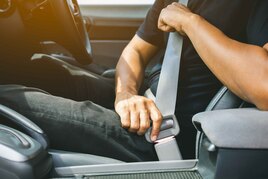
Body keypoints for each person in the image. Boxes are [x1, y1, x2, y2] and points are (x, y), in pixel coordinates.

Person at [0, 0, 267, 162]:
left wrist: (190, 22)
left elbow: (263, 86)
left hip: (164, 134)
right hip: (148, 98)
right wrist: (125, 95)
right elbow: (136, 51)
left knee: (8, 101)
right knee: (42, 69)